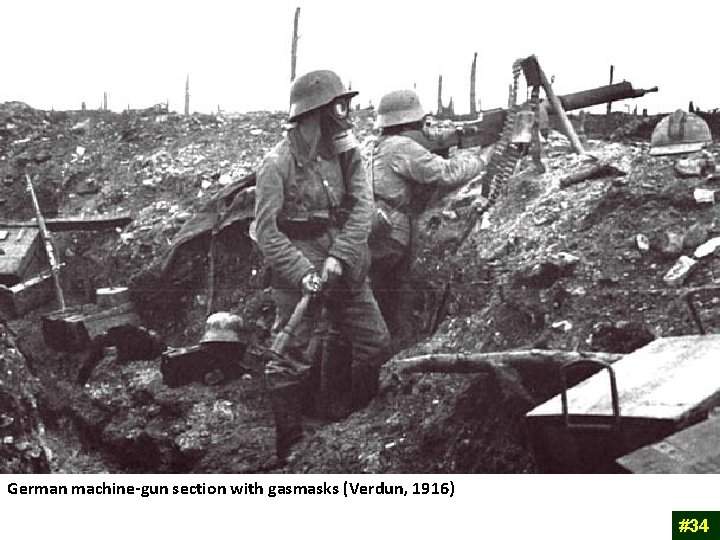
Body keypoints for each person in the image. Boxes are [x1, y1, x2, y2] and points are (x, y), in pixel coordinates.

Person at [254, 70, 390, 459]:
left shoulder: (346, 151)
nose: (344, 117)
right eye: (337, 108)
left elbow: (364, 207)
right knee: (290, 355)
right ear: (315, 114)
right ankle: (290, 444)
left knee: (375, 344)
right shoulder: (276, 164)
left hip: (343, 257)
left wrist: (339, 256)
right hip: (297, 261)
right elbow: (265, 232)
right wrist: (304, 272)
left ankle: (356, 424)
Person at [367, 89, 486, 343]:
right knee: (393, 302)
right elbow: (448, 173)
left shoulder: (379, 144)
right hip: (391, 238)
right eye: (422, 125)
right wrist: (479, 158)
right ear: (411, 123)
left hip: (373, 235)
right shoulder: (402, 147)